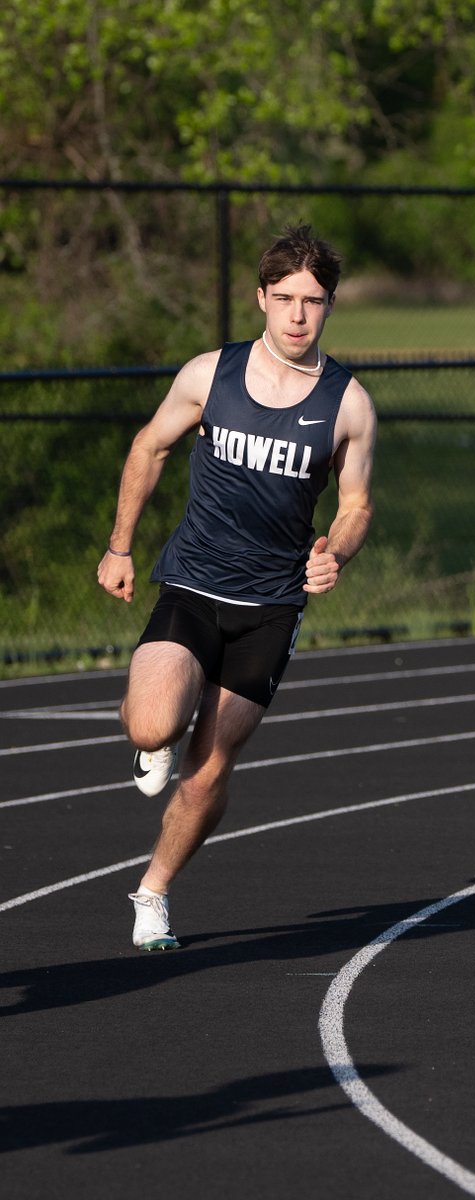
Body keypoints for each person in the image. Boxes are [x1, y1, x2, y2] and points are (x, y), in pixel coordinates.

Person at [96, 224, 377, 952]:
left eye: (312, 301)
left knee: (207, 769)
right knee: (154, 725)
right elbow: (150, 446)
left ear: (330, 306)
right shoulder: (209, 375)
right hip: (193, 584)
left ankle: (152, 890)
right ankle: (150, 728)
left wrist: (335, 552)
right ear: (260, 297)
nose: (296, 315)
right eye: (283, 298)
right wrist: (120, 546)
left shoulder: (348, 404)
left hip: (271, 607)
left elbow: (355, 505)